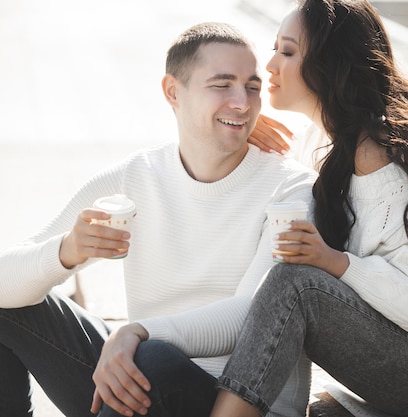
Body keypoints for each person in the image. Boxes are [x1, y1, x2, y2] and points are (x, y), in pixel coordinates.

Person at [0, 22, 316, 417]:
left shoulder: (291, 189)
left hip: (237, 402)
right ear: (172, 92)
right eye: (222, 85)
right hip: (139, 380)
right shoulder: (136, 177)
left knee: (153, 359)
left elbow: (255, 316)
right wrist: (65, 252)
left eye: (252, 87)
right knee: (10, 301)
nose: (243, 102)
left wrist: (140, 332)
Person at [208, 1, 408, 416]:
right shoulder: (323, 140)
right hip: (402, 342)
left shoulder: (378, 152)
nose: (268, 64)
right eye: (274, 47)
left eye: (287, 51)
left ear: (330, 64)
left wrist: (334, 261)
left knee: (296, 284)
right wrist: (244, 128)